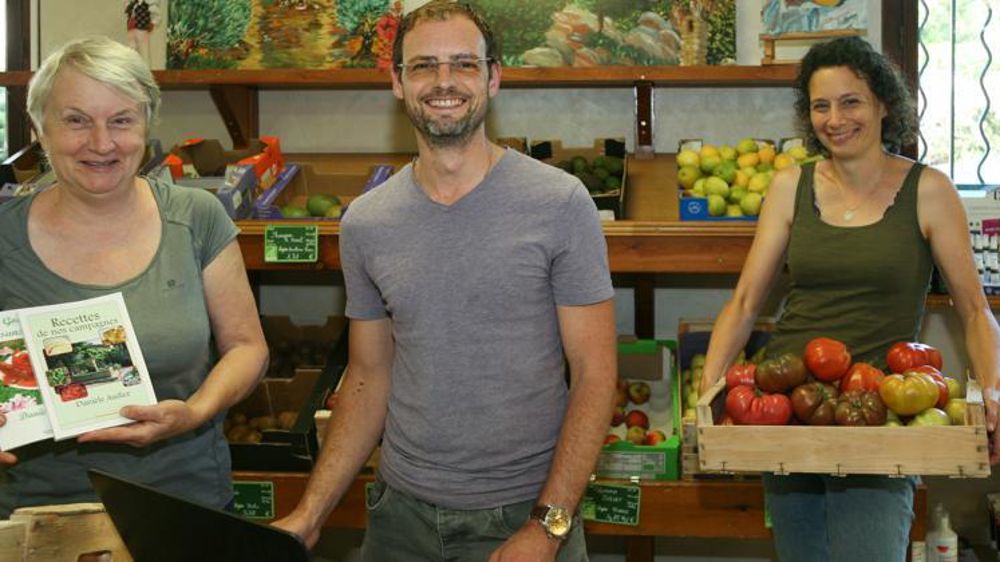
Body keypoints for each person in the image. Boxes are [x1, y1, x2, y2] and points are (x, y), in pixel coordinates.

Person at [274, 2, 616, 561]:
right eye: (424, 66)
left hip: (524, 514)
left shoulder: (559, 204)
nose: (444, 82)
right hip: (399, 519)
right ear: (397, 82)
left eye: (464, 64)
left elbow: (596, 375)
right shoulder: (366, 222)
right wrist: (311, 514)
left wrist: (547, 527)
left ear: (494, 77)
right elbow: (368, 374)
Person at [699, 36, 1000, 561]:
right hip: (789, 407)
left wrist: (994, 391)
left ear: (884, 104)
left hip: (878, 414)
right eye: (820, 105)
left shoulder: (929, 190)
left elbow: (974, 310)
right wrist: (710, 386)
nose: (835, 119)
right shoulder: (790, 185)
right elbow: (746, 300)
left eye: (850, 101)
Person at [0, 36, 268, 515]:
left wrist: (196, 412)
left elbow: (248, 347)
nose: (101, 143)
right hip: (38, 515)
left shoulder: (196, 217)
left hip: (185, 507)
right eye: (76, 120)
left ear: (146, 126)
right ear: (40, 127)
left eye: (121, 120)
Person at [124, 0, 160, 66]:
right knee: (132, 50)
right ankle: (133, 70)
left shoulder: (148, 2)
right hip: (132, 29)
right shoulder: (131, 4)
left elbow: (154, 10)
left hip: (142, 28)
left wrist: (153, 21)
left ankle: (145, 71)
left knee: (144, 52)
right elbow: (127, 11)